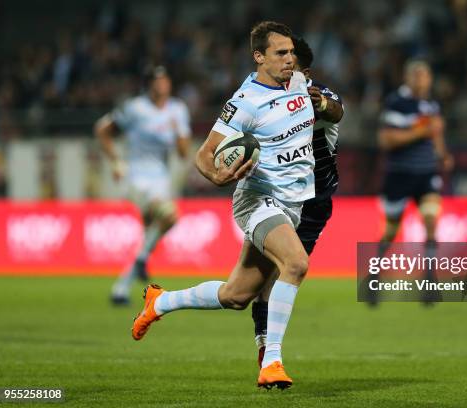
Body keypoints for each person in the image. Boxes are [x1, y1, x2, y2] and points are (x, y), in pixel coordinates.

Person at [131, 21, 315, 390]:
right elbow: (205, 153)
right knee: (295, 263)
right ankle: (273, 362)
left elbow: (332, 110)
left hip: (293, 204)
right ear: (259, 57)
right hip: (258, 201)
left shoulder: (297, 82)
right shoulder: (245, 103)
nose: (289, 60)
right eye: (281, 53)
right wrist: (216, 176)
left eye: (292, 52)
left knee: (237, 296)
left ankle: (160, 302)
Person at [250, 36, 344, 366]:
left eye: (292, 65)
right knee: (266, 278)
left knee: (281, 275)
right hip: (277, 198)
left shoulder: (319, 95)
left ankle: (267, 348)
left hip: (315, 203)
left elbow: (337, 111)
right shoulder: (266, 100)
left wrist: (317, 103)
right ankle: (267, 349)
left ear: (305, 71)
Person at [94, 66, 191, 305]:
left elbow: (183, 152)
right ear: (149, 85)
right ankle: (140, 262)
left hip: (161, 178)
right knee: (169, 215)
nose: (162, 85)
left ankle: (122, 287)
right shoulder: (135, 108)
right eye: (158, 81)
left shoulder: (178, 109)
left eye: (166, 80)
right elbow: (102, 130)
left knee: (150, 233)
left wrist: (177, 129)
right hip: (136, 177)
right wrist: (116, 161)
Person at [375, 61, 453, 305]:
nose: (422, 80)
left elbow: (436, 133)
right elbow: (386, 140)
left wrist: (442, 154)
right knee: (391, 231)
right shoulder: (396, 103)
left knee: (431, 221)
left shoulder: (431, 105)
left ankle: (430, 281)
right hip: (399, 175)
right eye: (417, 75)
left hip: (426, 173)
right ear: (407, 78)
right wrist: (420, 131)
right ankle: (374, 277)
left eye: (426, 75)